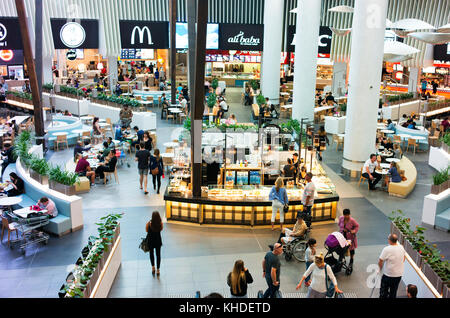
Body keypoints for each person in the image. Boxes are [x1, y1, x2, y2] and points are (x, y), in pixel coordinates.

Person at [378, 234, 405, 298]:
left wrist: (380, 268)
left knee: (383, 291)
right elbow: (404, 258)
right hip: (398, 275)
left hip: (388, 275)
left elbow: (380, 260)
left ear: (389, 240)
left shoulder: (387, 249)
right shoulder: (401, 247)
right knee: (393, 292)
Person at [146, 211, 163, 276]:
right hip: (158, 241)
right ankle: (158, 270)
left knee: (151, 254)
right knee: (158, 255)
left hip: (151, 241)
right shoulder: (160, 223)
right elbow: (161, 229)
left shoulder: (149, 223)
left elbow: (146, 230)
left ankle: (153, 268)